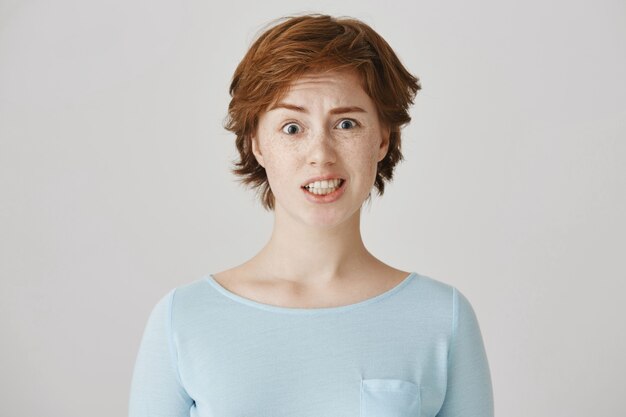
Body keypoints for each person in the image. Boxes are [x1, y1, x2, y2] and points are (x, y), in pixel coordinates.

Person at [128, 14, 494, 417]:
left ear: (382, 139)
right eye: (292, 128)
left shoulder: (442, 318)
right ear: (257, 145)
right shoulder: (184, 319)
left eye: (346, 123)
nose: (321, 153)